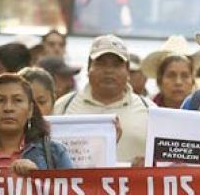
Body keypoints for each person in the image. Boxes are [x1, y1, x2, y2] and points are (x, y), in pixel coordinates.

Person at [52, 34, 154, 164]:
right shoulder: (62, 107)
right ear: (89, 68)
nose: (108, 71)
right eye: (101, 64)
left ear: (127, 71)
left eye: (116, 65)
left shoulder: (149, 110)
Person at [140, 35, 200, 109]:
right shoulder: (146, 109)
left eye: (185, 76)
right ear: (160, 80)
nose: (178, 82)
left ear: (192, 80)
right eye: (171, 75)